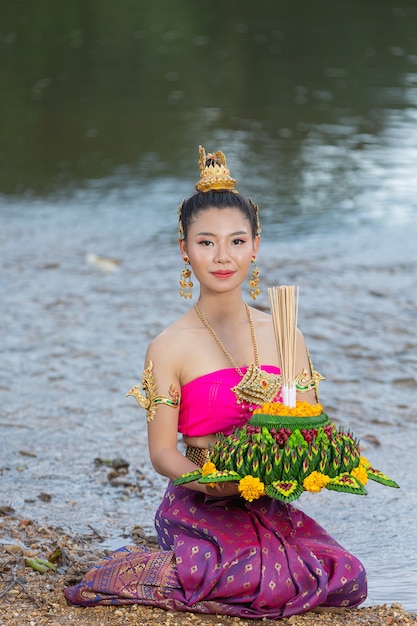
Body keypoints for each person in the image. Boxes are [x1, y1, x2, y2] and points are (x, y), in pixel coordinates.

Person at [64, 146, 367, 619]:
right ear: (184, 249)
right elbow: (163, 451)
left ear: (256, 246)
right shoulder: (168, 346)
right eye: (206, 242)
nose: (223, 257)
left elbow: (313, 431)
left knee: (343, 576)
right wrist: (209, 482)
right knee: (251, 579)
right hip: (200, 500)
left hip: (268, 501)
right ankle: (146, 568)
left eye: (237, 241)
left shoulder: (286, 334)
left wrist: (300, 462)